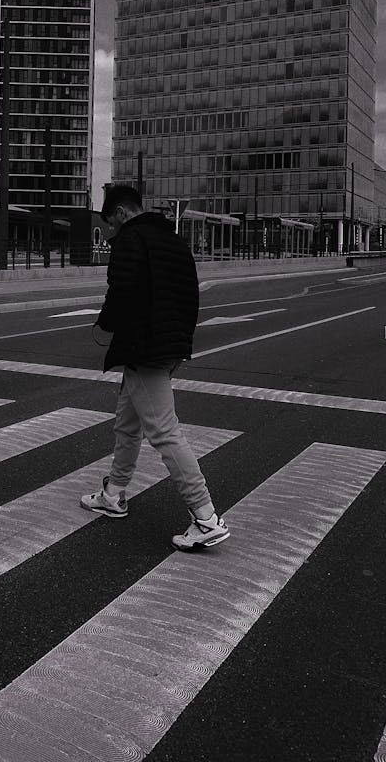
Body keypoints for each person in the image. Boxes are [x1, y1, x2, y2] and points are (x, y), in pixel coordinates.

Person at [80, 185, 230, 551]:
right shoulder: (174, 241)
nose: (110, 231)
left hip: (144, 347)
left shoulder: (130, 242)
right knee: (127, 423)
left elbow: (122, 292)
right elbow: (192, 294)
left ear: (119, 213)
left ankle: (206, 517)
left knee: (163, 432)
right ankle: (114, 494)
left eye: (110, 222)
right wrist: (180, 340)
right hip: (170, 343)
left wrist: (106, 322)